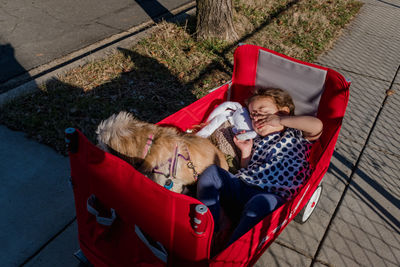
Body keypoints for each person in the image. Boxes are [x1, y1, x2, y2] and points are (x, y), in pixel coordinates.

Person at [196, 87, 323, 248]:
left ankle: (229, 250)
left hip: (271, 194)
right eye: (253, 115)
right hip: (242, 185)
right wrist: (245, 153)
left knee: (261, 205)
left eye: (262, 112)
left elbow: (317, 125)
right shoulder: (255, 140)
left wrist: (281, 121)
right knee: (212, 173)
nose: (256, 118)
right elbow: (247, 169)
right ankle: (214, 226)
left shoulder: (296, 135)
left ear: (284, 111)